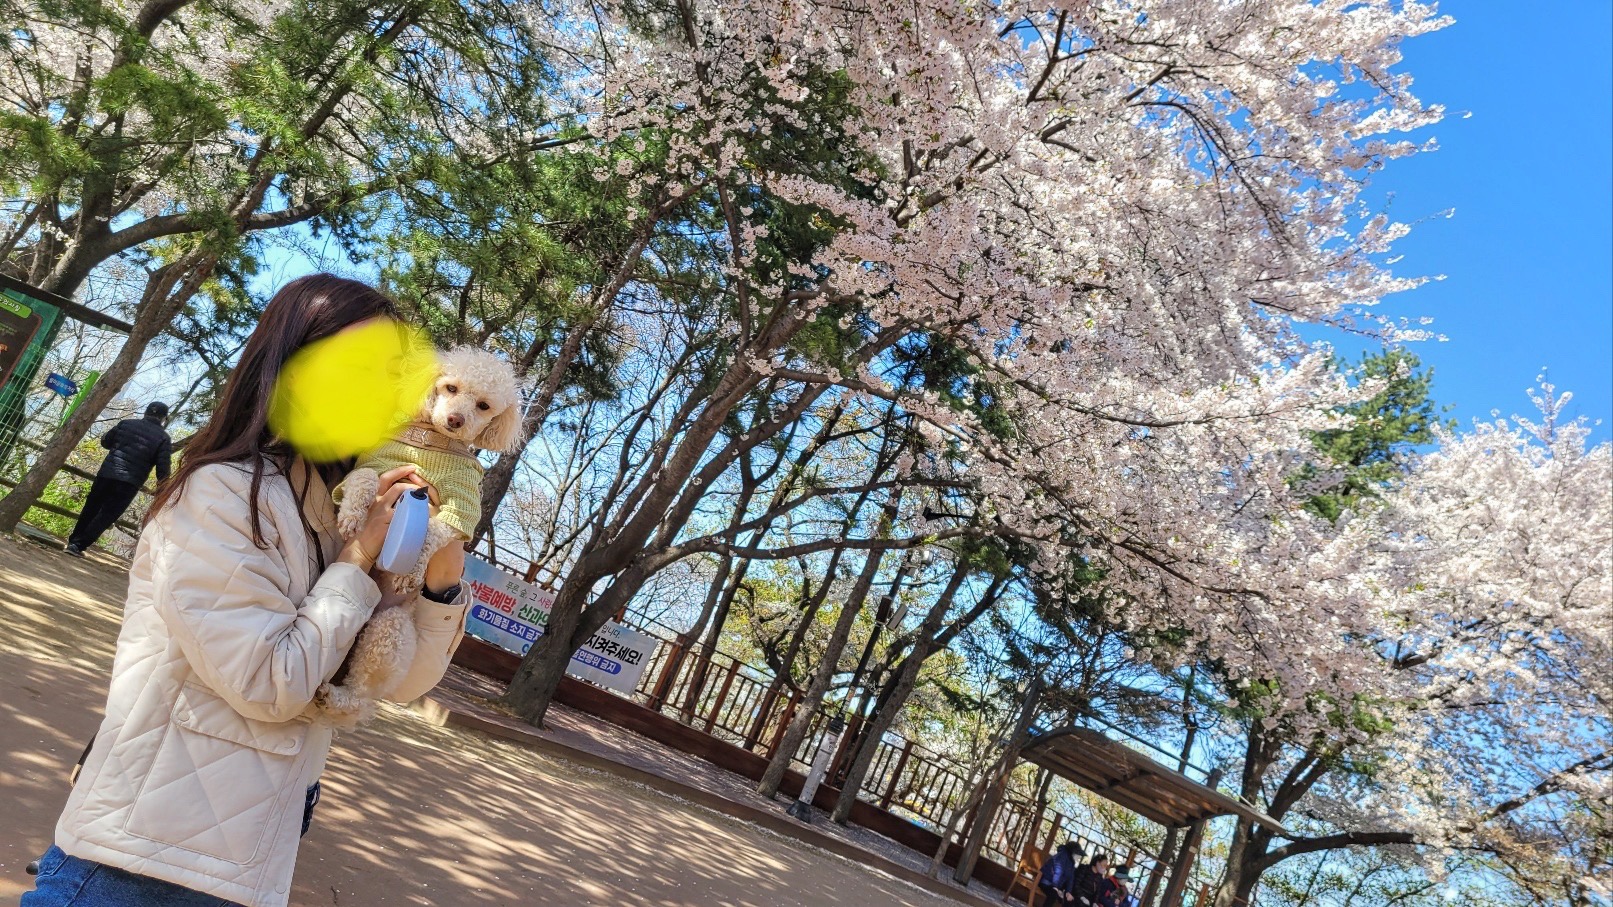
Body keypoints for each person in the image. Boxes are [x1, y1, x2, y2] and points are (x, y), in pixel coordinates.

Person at [22, 274, 470, 907]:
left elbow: (398, 681)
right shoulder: (224, 493)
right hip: (139, 859)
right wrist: (359, 557)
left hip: (253, 857)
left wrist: (442, 583)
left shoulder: (339, 508)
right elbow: (270, 680)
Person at [64, 400, 173, 556]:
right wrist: (164, 488)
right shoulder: (163, 438)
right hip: (130, 482)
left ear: (146, 412)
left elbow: (106, 441)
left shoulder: (126, 424)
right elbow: (163, 468)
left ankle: (73, 541)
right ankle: (79, 545)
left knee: (91, 507)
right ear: (164, 418)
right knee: (108, 514)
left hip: (107, 473)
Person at [1037, 840, 1085, 905]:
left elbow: (1070, 879)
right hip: (1047, 882)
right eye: (1078, 854)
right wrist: (1055, 887)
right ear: (1073, 852)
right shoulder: (1061, 856)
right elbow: (1058, 871)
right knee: (1053, 894)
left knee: (1070, 901)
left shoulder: (1071, 863)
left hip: (1056, 886)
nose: (1079, 857)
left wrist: (1068, 892)